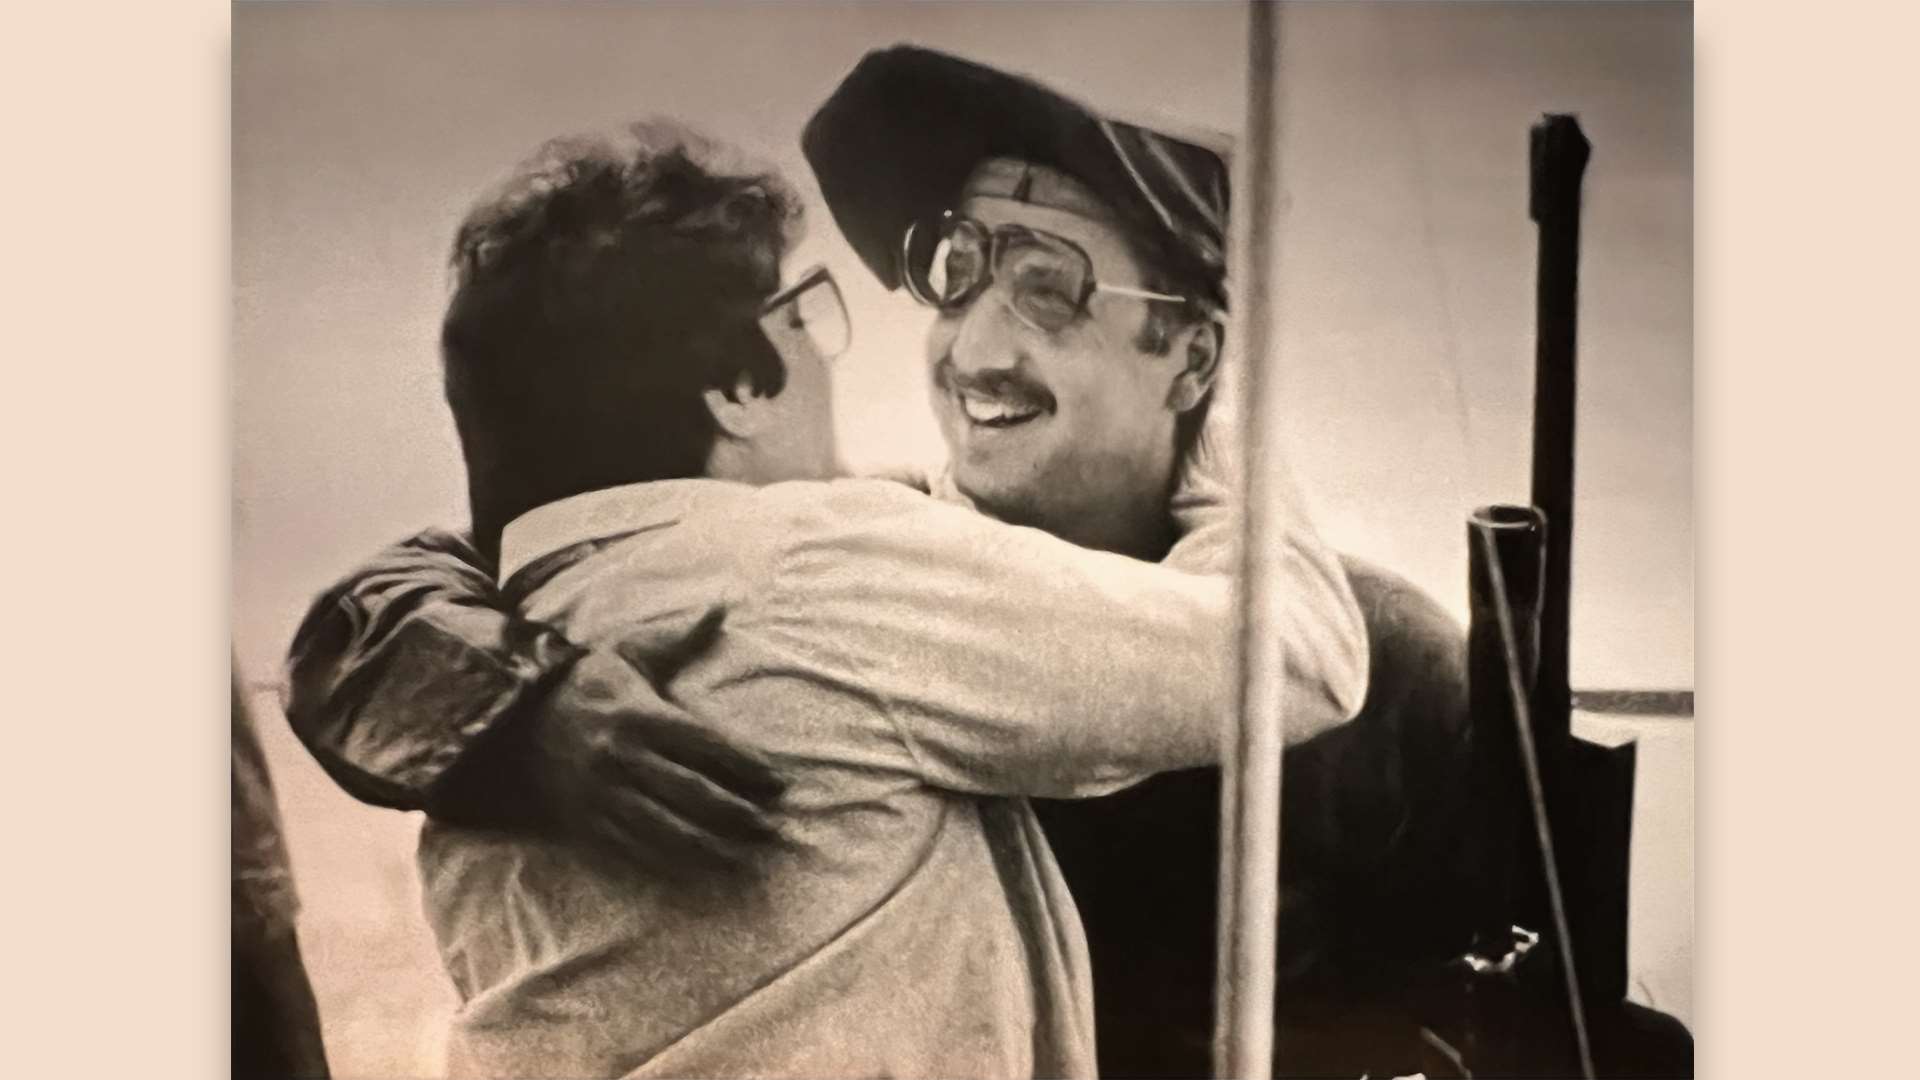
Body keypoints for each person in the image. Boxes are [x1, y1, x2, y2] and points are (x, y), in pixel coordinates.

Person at [284, 48, 1476, 1077]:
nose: (973, 343)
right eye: (954, 269)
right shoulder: (842, 557)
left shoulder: (1407, 664)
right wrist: (510, 703)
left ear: (1193, 354)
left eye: (1047, 287)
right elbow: (416, 587)